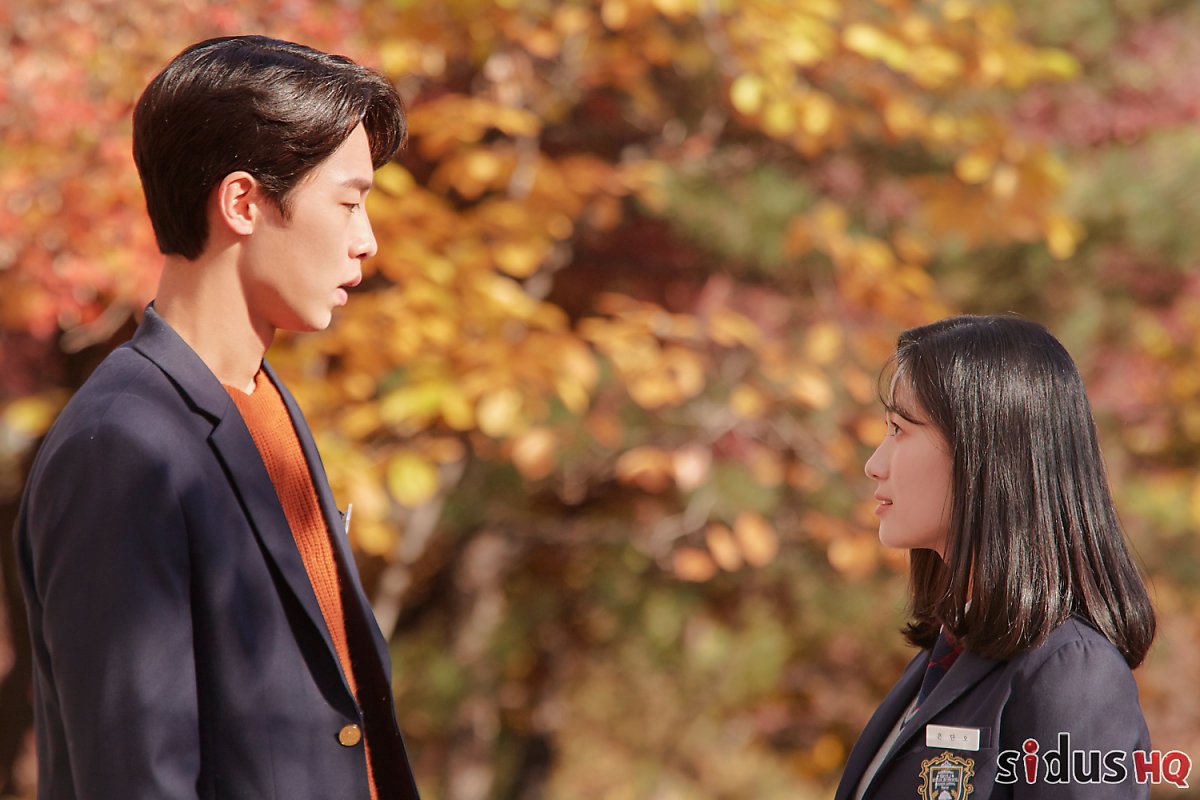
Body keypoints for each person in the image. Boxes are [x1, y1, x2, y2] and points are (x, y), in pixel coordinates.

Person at [14, 36, 421, 799]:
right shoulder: (121, 447)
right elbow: (137, 777)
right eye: (348, 202)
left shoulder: (263, 403)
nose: (367, 242)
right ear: (242, 203)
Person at [837, 315, 1156, 800]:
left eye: (899, 429)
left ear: (984, 451)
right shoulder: (945, 656)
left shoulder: (1073, 674)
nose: (874, 464)